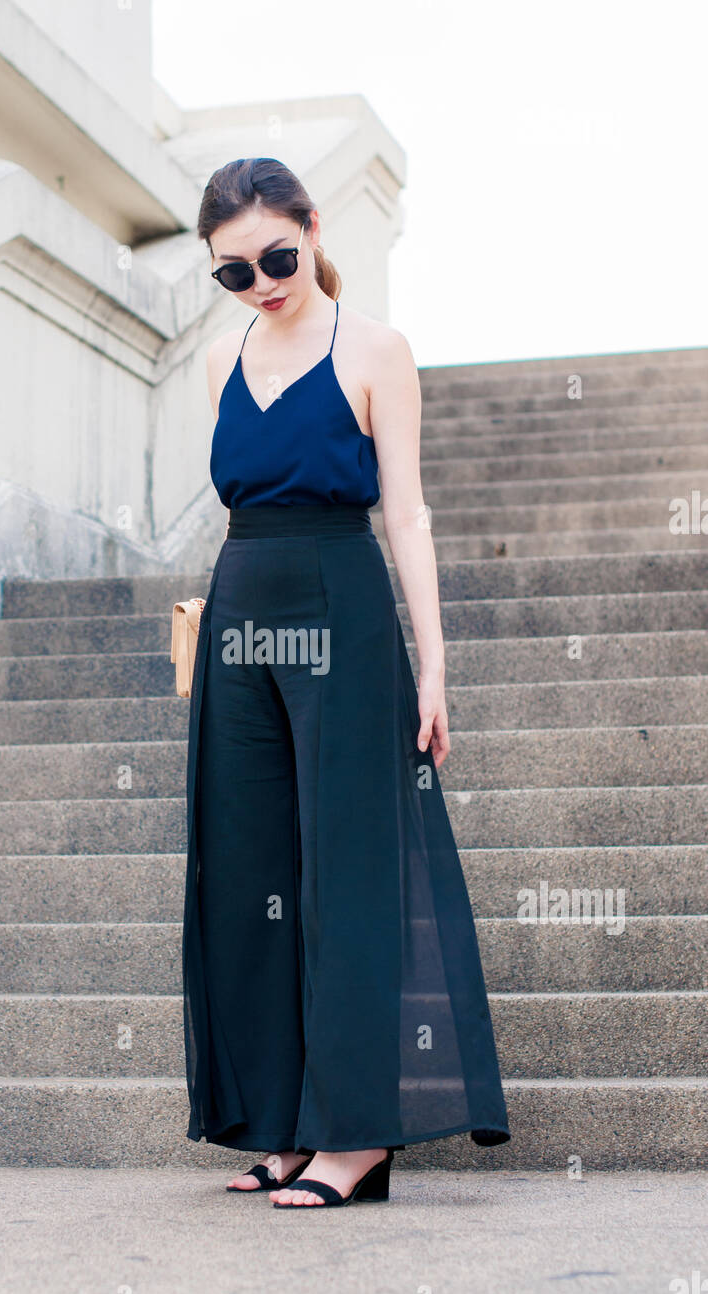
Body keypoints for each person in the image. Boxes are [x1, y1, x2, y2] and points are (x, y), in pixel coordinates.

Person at [181, 156, 510, 1210]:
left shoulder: (374, 349)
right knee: (248, 875)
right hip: (241, 608)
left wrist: (434, 663)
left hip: (343, 605)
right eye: (235, 272)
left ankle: (353, 1133)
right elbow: (230, 506)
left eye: (277, 256)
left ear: (316, 229)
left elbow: (404, 514)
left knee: (345, 874)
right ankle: (277, 1122)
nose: (263, 282)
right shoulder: (219, 360)